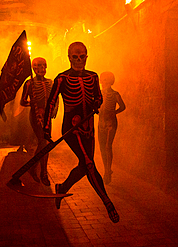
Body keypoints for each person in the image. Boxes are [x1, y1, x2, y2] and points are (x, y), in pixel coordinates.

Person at [43, 42, 119, 223]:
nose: (78, 60)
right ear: (69, 57)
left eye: (82, 56)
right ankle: (107, 202)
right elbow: (51, 103)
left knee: (85, 165)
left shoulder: (92, 77)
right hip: (71, 128)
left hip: (89, 127)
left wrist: (96, 103)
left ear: (86, 56)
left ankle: (63, 187)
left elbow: (98, 96)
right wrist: (46, 128)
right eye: (75, 57)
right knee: (89, 163)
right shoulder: (61, 78)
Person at [20, 57, 58, 186]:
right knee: (44, 142)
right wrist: (33, 103)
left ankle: (35, 168)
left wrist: (54, 109)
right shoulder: (29, 83)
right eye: (38, 66)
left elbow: (54, 97)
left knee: (45, 143)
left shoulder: (50, 82)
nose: (42, 69)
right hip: (36, 116)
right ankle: (43, 172)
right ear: (33, 68)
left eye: (44, 66)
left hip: (47, 116)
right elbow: (23, 101)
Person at [98, 71, 126, 185]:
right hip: (101, 122)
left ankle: (108, 171)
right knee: (102, 147)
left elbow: (123, 106)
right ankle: (106, 169)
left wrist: (114, 113)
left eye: (104, 79)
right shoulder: (99, 94)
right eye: (101, 79)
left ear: (110, 81)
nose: (102, 82)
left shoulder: (115, 94)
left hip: (111, 123)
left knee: (108, 146)